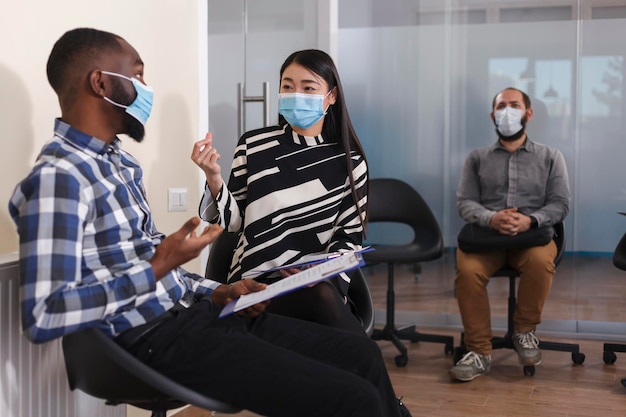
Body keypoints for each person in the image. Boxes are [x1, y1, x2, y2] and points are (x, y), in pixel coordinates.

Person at [8, 27, 411, 417]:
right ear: (101, 83)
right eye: (137, 74)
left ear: (330, 97)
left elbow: (155, 267)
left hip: (193, 316)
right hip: (153, 337)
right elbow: (44, 315)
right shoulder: (60, 178)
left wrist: (219, 290)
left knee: (362, 354)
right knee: (352, 398)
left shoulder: (119, 166)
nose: (146, 90)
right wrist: (159, 266)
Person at [191, 49, 368, 335]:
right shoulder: (253, 145)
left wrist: (320, 275)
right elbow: (233, 223)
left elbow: (349, 237)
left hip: (318, 285)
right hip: (255, 280)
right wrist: (213, 177)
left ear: (332, 96)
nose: (296, 93)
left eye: (308, 87)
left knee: (320, 299)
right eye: (288, 86)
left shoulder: (350, 162)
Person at [450, 87, 570, 382]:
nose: (507, 111)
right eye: (501, 106)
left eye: (514, 105)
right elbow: (465, 202)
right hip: (486, 238)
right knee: (467, 271)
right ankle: (478, 351)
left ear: (528, 113)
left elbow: (561, 203)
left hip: (532, 238)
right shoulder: (477, 158)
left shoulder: (551, 156)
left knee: (541, 263)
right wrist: (493, 219)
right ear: (493, 115)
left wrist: (530, 220)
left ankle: (525, 332)